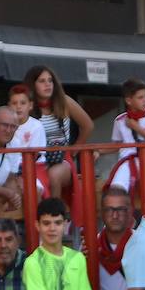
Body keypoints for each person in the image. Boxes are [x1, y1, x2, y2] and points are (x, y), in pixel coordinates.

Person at [26, 64, 93, 224]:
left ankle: (54, 220)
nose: (48, 84)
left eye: (50, 80)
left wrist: (74, 150)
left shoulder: (64, 101)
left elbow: (88, 125)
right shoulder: (27, 106)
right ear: (32, 85)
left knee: (54, 175)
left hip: (62, 160)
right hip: (37, 161)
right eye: (42, 81)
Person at [105, 78, 145, 195]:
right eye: (140, 97)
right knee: (116, 190)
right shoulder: (120, 120)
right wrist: (98, 151)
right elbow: (117, 145)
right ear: (129, 100)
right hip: (127, 161)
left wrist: (136, 127)